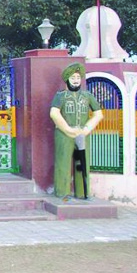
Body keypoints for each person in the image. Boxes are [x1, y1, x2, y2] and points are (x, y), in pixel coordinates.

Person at [49, 62, 103, 200]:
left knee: (82, 163)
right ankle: (62, 192)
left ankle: (83, 192)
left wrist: (86, 129)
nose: (76, 80)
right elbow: (54, 113)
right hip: (64, 134)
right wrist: (67, 129)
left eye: (78, 78)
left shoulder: (87, 96)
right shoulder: (60, 96)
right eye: (73, 78)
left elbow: (98, 114)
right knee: (63, 162)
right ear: (67, 79)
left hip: (82, 134)